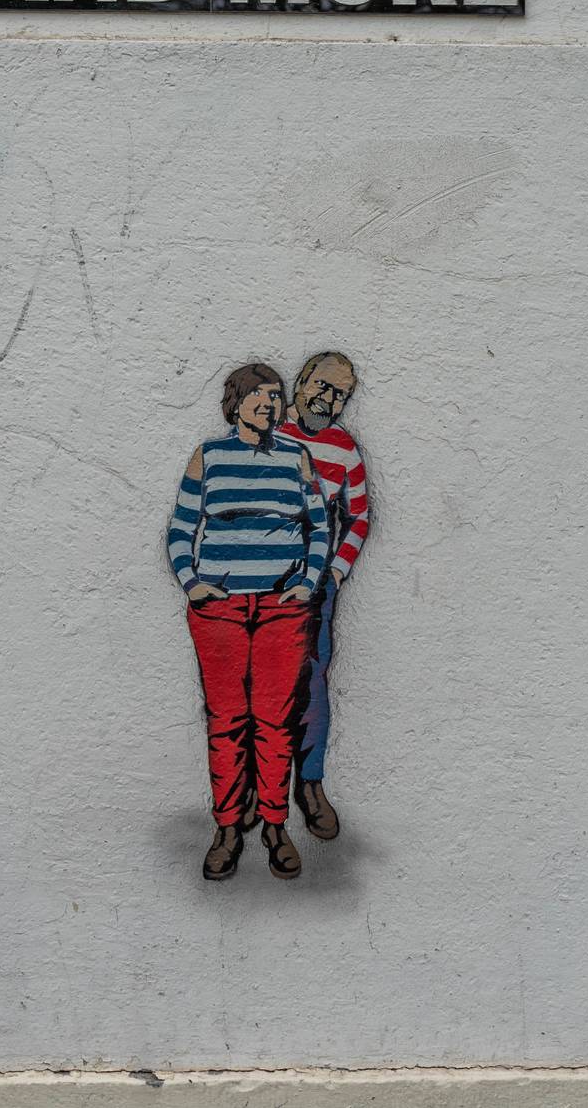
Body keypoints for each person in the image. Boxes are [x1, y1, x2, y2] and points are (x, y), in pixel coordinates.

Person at [166, 362, 330, 882]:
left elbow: (319, 527)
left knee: (275, 722)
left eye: (276, 396)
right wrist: (193, 584)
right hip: (221, 612)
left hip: (282, 611)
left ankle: (276, 826)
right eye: (258, 395)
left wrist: (306, 583)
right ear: (234, 403)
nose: (269, 404)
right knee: (227, 722)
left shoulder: (295, 457)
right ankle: (229, 828)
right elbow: (180, 528)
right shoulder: (209, 457)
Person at [275, 352, 369, 840]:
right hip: (260, 584)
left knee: (311, 687)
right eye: (323, 387)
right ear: (302, 380)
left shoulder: (344, 450)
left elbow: (359, 518)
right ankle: (257, 793)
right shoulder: (268, 431)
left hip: (315, 591)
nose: (329, 401)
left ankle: (309, 787)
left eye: (340, 396)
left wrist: (334, 573)